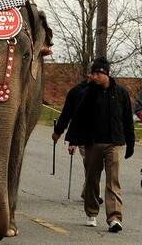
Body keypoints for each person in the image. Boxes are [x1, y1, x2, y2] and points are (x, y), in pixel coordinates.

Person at [65, 57, 135, 232]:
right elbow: (78, 117)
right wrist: (73, 139)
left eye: (97, 73)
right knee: (92, 180)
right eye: (93, 73)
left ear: (106, 74)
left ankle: (114, 218)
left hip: (115, 143)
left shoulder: (121, 93)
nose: (94, 76)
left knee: (113, 180)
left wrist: (130, 142)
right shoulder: (88, 93)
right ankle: (91, 212)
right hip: (93, 143)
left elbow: (127, 120)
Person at [53, 74, 103, 204]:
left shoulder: (104, 91)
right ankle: (90, 193)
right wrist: (59, 132)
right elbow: (67, 114)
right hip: (83, 136)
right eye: (95, 74)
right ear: (89, 75)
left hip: (101, 137)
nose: (98, 77)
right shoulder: (76, 92)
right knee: (91, 164)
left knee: (96, 165)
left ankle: (87, 191)